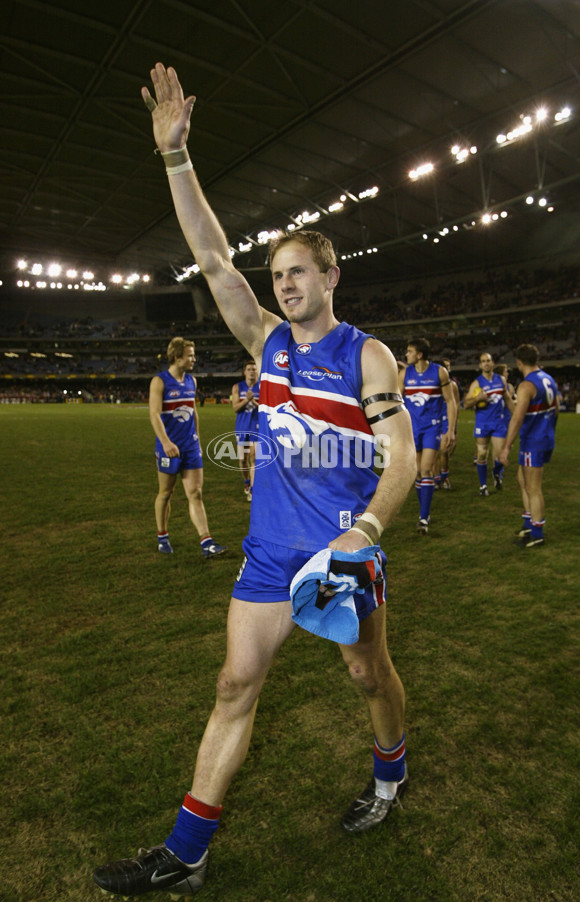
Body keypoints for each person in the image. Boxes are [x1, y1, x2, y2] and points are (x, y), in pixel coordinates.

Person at [92, 62, 417, 898]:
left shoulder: (366, 355)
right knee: (234, 682)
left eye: (299, 272)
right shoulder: (264, 342)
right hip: (271, 557)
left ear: (332, 276)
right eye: (277, 275)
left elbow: (404, 458)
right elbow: (208, 252)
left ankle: (390, 774)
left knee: (365, 675)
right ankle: (186, 852)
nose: (285, 284)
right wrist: (175, 157)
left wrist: (366, 534)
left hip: (344, 556)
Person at [149, 336, 227, 557]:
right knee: (166, 492)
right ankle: (162, 536)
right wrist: (165, 442)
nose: (194, 359)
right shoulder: (159, 381)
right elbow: (154, 415)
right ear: (177, 357)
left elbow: (194, 413)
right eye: (190, 355)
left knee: (196, 493)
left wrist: (198, 441)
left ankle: (207, 542)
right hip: (168, 448)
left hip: (190, 446)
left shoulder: (192, 381)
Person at [498, 344, 559, 548]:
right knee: (521, 478)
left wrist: (506, 447)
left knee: (533, 487)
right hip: (544, 436)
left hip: (534, 440)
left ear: (519, 362)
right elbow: (556, 408)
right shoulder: (548, 379)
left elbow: (517, 418)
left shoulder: (527, 385)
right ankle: (529, 523)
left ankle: (537, 532)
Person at [398, 338, 457, 533]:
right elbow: (396, 401)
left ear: (420, 354)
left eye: (410, 351)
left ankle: (424, 517)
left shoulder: (439, 372)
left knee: (426, 469)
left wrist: (450, 430)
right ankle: (424, 510)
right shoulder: (405, 374)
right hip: (412, 429)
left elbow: (450, 402)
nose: (407, 355)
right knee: (417, 472)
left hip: (432, 428)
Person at [463, 352, 514, 496]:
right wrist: (477, 398)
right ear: (480, 365)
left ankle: (496, 472)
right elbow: (466, 404)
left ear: (492, 363)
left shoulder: (501, 380)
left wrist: (517, 416)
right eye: (483, 361)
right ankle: (483, 485)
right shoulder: (477, 383)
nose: (486, 363)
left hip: (498, 422)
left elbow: (508, 400)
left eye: (488, 360)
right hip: (483, 423)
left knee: (499, 456)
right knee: (482, 454)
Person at [231, 360, 260, 501]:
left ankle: (253, 490)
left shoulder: (262, 387)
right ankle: (247, 482)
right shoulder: (237, 387)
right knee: (242, 459)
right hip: (242, 427)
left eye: (254, 369)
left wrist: (253, 402)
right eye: (249, 369)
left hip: (257, 427)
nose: (252, 371)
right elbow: (235, 408)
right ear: (244, 372)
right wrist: (247, 400)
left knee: (254, 458)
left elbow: (266, 408)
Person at [434, 357, 460, 490]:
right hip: (433, 419)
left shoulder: (452, 385)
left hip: (446, 420)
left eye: (449, 367)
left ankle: (445, 476)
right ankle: (437, 478)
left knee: (443, 450)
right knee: (434, 452)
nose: (448, 370)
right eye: (446, 367)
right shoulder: (431, 383)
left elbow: (456, 404)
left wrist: (454, 426)